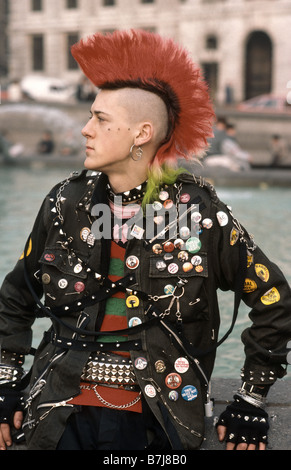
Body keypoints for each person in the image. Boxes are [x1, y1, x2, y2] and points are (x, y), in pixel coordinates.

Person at [0, 29, 290, 452]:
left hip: (157, 420)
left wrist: (250, 397)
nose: (85, 130)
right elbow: (15, 295)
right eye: (89, 116)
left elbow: (273, 298)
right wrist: (6, 385)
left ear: (141, 133)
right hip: (57, 412)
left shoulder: (198, 211)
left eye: (100, 119)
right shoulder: (65, 201)